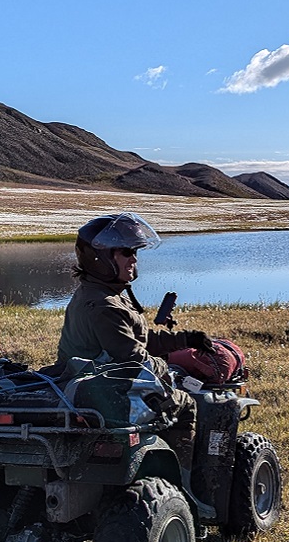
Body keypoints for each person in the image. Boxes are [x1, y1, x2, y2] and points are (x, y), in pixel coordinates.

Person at [56, 212, 216, 511]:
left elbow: (138, 341)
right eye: (127, 252)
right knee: (186, 404)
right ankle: (188, 492)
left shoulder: (103, 294)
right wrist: (168, 367)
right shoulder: (103, 305)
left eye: (136, 253)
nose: (134, 260)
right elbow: (134, 360)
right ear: (100, 258)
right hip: (108, 389)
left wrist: (185, 339)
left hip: (92, 382)